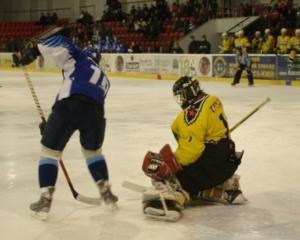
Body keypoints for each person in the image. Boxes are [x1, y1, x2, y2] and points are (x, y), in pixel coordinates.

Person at [12, 27, 118, 219]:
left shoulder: (79, 57)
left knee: (50, 152)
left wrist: (34, 49)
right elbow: (88, 99)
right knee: (93, 152)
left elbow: (60, 40)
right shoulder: (104, 79)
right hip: (95, 113)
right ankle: (105, 191)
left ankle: (45, 199)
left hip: (69, 104)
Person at [141, 76, 246, 221]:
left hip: (213, 162)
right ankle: (225, 186)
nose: (181, 100)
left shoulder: (191, 114)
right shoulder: (213, 100)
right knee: (194, 172)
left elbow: (192, 150)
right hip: (228, 161)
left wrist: (171, 168)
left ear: (189, 92)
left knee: (176, 180)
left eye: (181, 96)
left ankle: (170, 199)